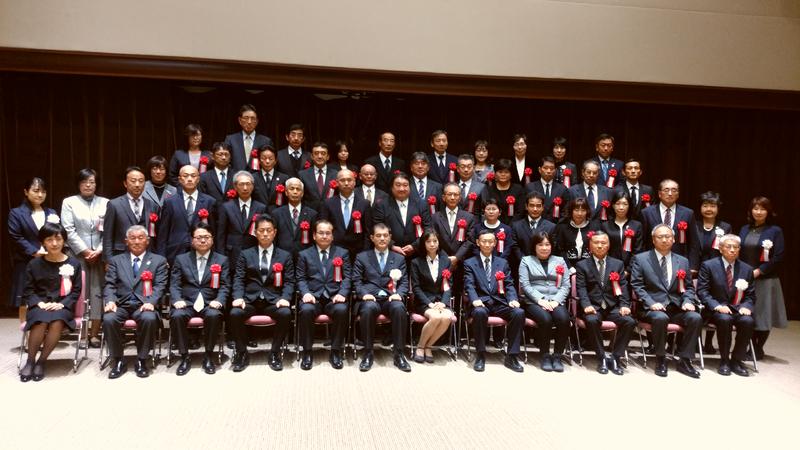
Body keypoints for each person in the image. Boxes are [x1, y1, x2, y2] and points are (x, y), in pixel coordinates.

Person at [630, 224, 702, 378]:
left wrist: (687, 300)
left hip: (676, 307)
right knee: (660, 318)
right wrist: (651, 303)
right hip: (651, 308)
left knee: (695, 317)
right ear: (653, 240)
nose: (664, 240)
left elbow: (689, 287)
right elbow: (637, 285)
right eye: (660, 237)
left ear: (674, 239)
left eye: (668, 236)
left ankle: (685, 360)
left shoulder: (682, 261)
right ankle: (661, 358)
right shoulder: (641, 259)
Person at [103, 225, 169, 379]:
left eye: (141, 238)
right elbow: (109, 284)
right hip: (121, 304)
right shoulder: (116, 261)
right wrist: (110, 301)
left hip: (144, 305)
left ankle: (142, 359)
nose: (137, 241)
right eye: (132, 238)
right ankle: (118, 360)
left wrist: (151, 302)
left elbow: (160, 285)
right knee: (109, 319)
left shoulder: (158, 261)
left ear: (147, 241)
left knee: (149, 318)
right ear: (126, 241)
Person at [230, 215, 294, 372]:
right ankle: (241, 353)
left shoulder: (284, 255)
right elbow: (238, 279)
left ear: (275, 232)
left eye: (269, 230)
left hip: (273, 301)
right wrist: (238, 297)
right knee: (235, 313)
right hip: (250, 301)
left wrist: (285, 298)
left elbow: (289, 281)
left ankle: (275, 352)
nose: (265, 234)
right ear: (255, 232)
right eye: (261, 230)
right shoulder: (245, 254)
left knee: (285, 312)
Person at [19, 222, 82, 382]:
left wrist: (62, 304)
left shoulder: (74, 263)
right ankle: (30, 361)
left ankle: (41, 361)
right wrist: (39, 303)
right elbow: (28, 290)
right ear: (42, 242)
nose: (54, 243)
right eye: (49, 240)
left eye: (58, 239)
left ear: (64, 241)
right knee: (40, 321)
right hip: (39, 305)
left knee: (57, 321)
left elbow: (76, 291)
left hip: (63, 306)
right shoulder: (34, 264)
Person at [169, 223, 229, 375]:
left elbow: (225, 285)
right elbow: (174, 284)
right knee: (177, 315)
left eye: (206, 237)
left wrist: (219, 300)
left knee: (214, 315)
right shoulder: (181, 259)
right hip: (187, 302)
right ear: (192, 240)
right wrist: (177, 299)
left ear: (212, 239)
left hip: (210, 303)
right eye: (199, 237)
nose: (203, 240)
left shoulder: (222, 260)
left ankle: (208, 356)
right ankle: (184, 356)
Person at [352, 223, 412, 372]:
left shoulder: (399, 259)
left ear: (390, 237)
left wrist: (399, 294)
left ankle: (399, 354)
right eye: (378, 235)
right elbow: (356, 281)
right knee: (368, 309)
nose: (382, 238)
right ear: (372, 238)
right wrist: (364, 294)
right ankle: (368, 353)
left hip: (390, 298)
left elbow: (404, 282)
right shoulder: (362, 257)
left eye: (385, 235)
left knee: (399, 308)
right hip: (370, 298)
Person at [575, 231, 635, 375]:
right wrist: (586, 305)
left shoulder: (618, 264)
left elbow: (623, 287)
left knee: (629, 321)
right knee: (591, 320)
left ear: (608, 245)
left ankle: (615, 358)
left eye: (603, 243)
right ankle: (601, 357)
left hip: (612, 306)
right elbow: (581, 288)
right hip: (593, 307)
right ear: (590, 245)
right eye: (596, 243)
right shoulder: (582, 265)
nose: (600, 246)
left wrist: (624, 305)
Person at [464, 230, 524, 372]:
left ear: (495, 243)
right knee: (479, 312)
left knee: (519, 312)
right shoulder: (469, 263)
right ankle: (480, 354)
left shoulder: (502, 263)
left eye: (490, 241)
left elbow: (509, 284)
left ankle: (512, 356)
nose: (487, 244)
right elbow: (469, 285)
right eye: (484, 241)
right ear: (478, 242)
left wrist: (513, 299)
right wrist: (475, 299)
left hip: (499, 302)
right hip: (481, 302)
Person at [60, 168, 108, 347]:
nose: (88, 185)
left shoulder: (105, 203)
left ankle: (94, 334)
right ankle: (81, 335)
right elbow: (68, 230)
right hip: (77, 254)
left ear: (97, 184)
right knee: (80, 293)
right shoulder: (69, 202)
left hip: (99, 256)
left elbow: (108, 230)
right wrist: (86, 251)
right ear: (78, 184)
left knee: (97, 292)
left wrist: (99, 250)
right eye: (84, 182)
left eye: (92, 182)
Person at [295, 220, 352, 370]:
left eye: (328, 233)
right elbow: (300, 278)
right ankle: (307, 352)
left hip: (334, 297)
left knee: (341, 309)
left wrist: (342, 293)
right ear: (314, 235)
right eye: (321, 233)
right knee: (306, 310)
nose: (325, 236)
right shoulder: (304, 255)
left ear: (332, 236)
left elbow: (347, 277)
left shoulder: (342, 253)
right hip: (313, 297)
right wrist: (306, 293)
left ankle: (335, 351)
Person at [696, 234, 755, 376]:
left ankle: (737, 360)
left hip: (738, 309)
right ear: (721, 248)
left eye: (736, 247)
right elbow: (702, 291)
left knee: (748, 321)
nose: (732, 250)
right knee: (724, 319)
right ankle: (724, 360)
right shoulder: (708, 265)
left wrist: (746, 306)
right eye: (728, 246)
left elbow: (750, 295)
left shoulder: (747, 269)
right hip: (716, 310)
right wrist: (717, 306)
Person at [739, 196, 786, 360]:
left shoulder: (775, 230)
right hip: (746, 279)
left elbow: (778, 256)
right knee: (747, 313)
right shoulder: (744, 229)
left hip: (766, 278)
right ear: (751, 210)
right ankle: (748, 346)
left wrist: (760, 271)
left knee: (763, 314)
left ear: (768, 211)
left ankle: (758, 348)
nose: (758, 212)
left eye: (762, 209)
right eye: (755, 208)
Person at [518, 232, 571, 372]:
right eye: (540, 244)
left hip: (555, 300)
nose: (544, 248)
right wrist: (540, 300)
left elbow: (566, 285)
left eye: (547, 244)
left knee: (564, 319)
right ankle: (545, 355)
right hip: (534, 301)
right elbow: (525, 285)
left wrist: (556, 301)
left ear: (552, 246)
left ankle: (558, 355)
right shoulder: (526, 261)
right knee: (545, 319)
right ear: (534, 246)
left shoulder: (560, 261)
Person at [8, 177, 58, 322]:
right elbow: (15, 236)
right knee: (24, 299)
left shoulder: (51, 212)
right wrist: (34, 251)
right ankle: (25, 330)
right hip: (26, 261)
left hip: (49, 260)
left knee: (47, 297)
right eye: (36, 191)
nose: (40, 195)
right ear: (26, 191)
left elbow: (57, 234)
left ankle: (46, 327)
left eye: (43, 191)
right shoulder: (16, 213)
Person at [156, 165, 217, 265]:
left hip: (202, 251)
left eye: (193, 176)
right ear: (180, 179)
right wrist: (161, 257)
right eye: (185, 176)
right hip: (174, 252)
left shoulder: (209, 201)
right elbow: (163, 233)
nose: (189, 179)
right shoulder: (170, 202)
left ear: (198, 179)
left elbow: (214, 231)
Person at [409, 230, 454, 363]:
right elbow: (416, 288)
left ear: (439, 242)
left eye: (435, 241)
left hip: (440, 301)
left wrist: (443, 302)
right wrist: (429, 303)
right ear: (423, 244)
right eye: (428, 241)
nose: (432, 244)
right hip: (423, 302)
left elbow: (448, 285)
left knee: (447, 317)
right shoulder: (416, 262)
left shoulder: (446, 261)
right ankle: (420, 347)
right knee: (435, 317)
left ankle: (428, 346)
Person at [640, 179, 701, 272]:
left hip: (679, 261)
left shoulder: (688, 213)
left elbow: (694, 242)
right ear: (659, 194)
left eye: (674, 190)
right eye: (666, 190)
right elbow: (643, 241)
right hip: (652, 261)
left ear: (678, 194)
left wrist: (693, 266)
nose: (670, 193)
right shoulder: (647, 213)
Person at [102, 166, 159, 261]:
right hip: (120, 254)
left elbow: (156, 235)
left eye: (141, 181)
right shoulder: (114, 204)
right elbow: (107, 235)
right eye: (133, 181)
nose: (137, 184)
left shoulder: (153, 206)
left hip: (146, 255)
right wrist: (108, 260)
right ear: (125, 183)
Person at [215, 171, 268, 268]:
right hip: (231, 254)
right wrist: (220, 258)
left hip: (254, 253)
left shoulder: (261, 207)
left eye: (248, 184)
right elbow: (221, 235)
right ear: (235, 187)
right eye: (241, 184)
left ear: (252, 186)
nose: (245, 188)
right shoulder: (226, 207)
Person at [372, 172, 432, 257]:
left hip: (417, 253)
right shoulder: (382, 205)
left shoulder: (421, 204)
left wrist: (414, 246)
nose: (401, 189)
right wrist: (392, 246)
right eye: (398, 185)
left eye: (405, 185)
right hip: (390, 253)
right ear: (392, 187)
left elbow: (428, 228)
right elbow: (376, 228)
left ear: (410, 187)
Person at [319, 169, 371, 258]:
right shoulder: (328, 203)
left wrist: (365, 253)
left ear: (354, 182)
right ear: (337, 183)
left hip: (358, 252)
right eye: (342, 180)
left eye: (349, 180)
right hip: (334, 251)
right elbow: (323, 228)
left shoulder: (364, 204)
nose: (346, 183)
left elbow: (368, 232)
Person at [271, 177, 318, 258]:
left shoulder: (312, 214)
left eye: (298, 189)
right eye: (292, 189)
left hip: (305, 257)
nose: (295, 192)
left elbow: (314, 239)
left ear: (302, 193)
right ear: (286, 192)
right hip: (282, 257)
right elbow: (274, 238)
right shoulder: (277, 213)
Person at [601, 190, 643, 272]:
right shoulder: (605, 226)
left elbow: (638, 250)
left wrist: (628, 270)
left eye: (625, 204)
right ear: (613, 206)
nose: (621, 207)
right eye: (618, 204)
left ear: (629, 206)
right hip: (610, 268)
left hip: (632, 270)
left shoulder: (636, 225)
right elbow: (604, 250)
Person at [224, 104, 273, 173]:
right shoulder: (230, 139)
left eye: (253, 118)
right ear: (240, 120)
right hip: (235, 177)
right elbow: (225, 161)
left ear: (257, 121)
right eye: (246, 118)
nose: (249, 122)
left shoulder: (266, 141)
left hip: (257, 178)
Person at [552, 198, 599, 268]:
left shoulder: (594, 226)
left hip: (590, 266)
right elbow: (559, 251)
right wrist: (569, 267)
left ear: (587, 211)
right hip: (566, 266)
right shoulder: (562, 226)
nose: (580, 213)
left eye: (583, 210)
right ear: (571, 211)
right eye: (576, 210)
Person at [512, 192, 556, 263]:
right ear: (526, 206)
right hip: (521, 264)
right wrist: (525, 262)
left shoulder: (551, 227)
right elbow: (515, 247)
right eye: (531, 205)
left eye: (538, 206)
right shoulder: (516, 226)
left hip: (544, 264)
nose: (535, 209)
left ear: (543, 207)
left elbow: (552, 248)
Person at [297, 142, 339, 212]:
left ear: (328, 157)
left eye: (323, 153)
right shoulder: (302, 175)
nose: (319, 156)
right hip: (309, 213)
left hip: (331, 212)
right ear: (312, 156)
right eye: (316, 153)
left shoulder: (336, 174)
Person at [481, 158, 524, 224]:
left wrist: (511, 226)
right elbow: (486, 209)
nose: (503, 174)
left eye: (506, 172)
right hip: (493, 224)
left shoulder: (518, 189)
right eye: (500, 172)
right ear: (495, 174)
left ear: (511, 175)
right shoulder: (489, 189)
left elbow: (520, 212)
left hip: (514, 225)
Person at [526, 156, 568, 223]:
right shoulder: (530, 187)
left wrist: (557, 225)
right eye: (545, 168)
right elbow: (526, 210)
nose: (549, 171)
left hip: (556, 225)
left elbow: (565, 212)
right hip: (536, 225)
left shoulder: (562, 189)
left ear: (555, 170)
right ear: (540, 170)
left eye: (552, 168)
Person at [251, 144, 290, 211]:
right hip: (258, 213)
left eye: (271, 159)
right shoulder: (253, 178)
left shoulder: (284, 178)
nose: (267, 161)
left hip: (277, 214)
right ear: (259, 160)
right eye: (264, 158)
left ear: (275, 161)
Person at [697, 191, 732, 263]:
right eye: (705, 206)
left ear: (718, 208)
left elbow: (727, 250)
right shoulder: (694, 225)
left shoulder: (725, 227)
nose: (708, 209)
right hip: (696, 266)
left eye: (712, 206)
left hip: (717, 265)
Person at [198, 142, 234, 207]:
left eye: (226, 154)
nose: (224, 157)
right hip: (211, 212)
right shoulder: (204, 177)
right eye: (220, 154)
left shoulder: (236, 176)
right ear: (212, 156)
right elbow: (201, 199)